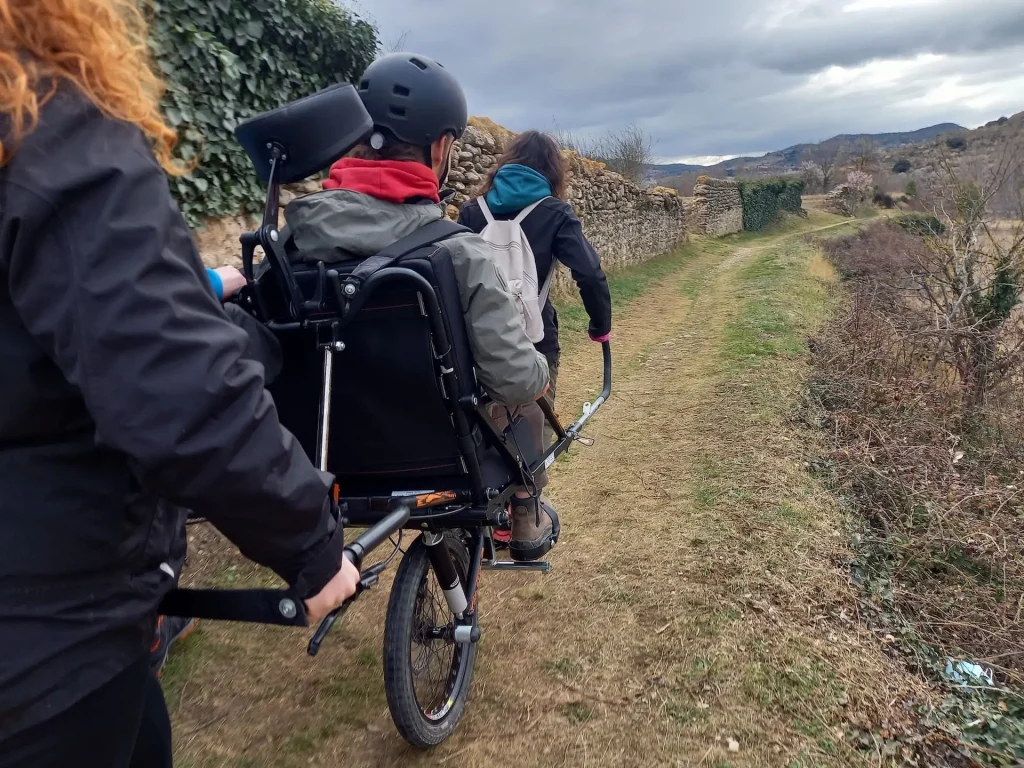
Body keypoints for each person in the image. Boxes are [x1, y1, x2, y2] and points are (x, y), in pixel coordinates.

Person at [0, 3, 360, 766]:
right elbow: (178, 390)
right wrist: (313, 544)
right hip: (49, 646)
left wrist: (191, 284)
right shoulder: (44, 125)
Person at [283, 52, 555, 563]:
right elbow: (514, 378)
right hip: (441, 460)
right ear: (442, 147)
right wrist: (539, 371)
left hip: (318, 460)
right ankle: (525, 518)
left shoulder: (289, 242)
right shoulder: (458, 252)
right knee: (523, 399)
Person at [458, 130, 613, 443]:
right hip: (535, 342)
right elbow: (590, 273)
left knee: (480, 440)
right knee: (529, 445)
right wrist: (600, 327)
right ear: (552, 171)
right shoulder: (554, 212)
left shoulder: (473, 211)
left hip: (476, 343)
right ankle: (527, 491)